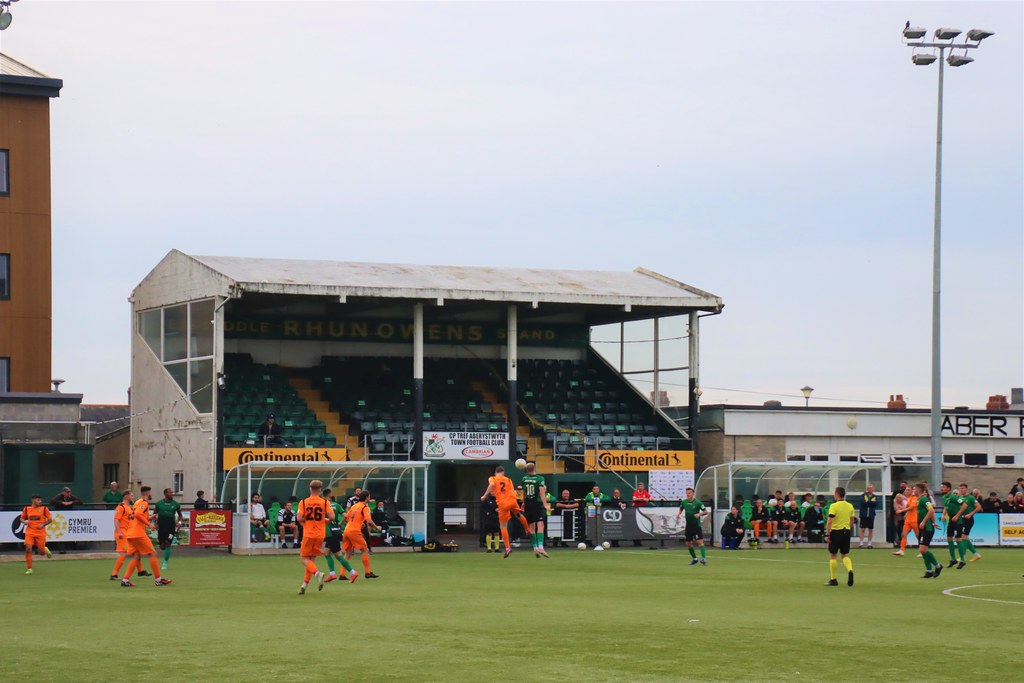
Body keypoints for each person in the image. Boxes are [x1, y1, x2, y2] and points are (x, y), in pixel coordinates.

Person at [121, 486, 173, 587]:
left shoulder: (137, 502)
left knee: (136, 556)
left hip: (130, 533)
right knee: (153, 553)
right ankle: (158, 580)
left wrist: (149, 518)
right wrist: (149, 524)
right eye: (150, 493)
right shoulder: (144, 503)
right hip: (138, 533)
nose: (151, 494)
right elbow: (138, 515)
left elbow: (136, 516)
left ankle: (125, 580)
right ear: (148, 493)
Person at [479, 465, 531, 558]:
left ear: (495, 472)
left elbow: (492, 485)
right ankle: (527, 530)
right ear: (503, 473)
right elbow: (512, 490)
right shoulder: (508, 479)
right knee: (519, 515)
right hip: (512, 500)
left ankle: (507, 548)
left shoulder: (493, 478)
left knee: (503, 526)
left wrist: (485, 495)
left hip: (503, 503)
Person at [296, 479, 332, 594]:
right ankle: (304, 585)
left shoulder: (303, 502)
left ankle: (317, 574)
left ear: (310, 488)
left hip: (308, 533)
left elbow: (299, 518)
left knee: (304, 559)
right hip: (320, 534)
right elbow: (332, 517)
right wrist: (325, 520)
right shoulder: (325, 502)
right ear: (320, 490)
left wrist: (306, 519)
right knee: (311, 560)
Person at [321, 488, 358, 584]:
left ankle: (353, 572)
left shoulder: (323, 505)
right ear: (330, 495)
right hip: (336, 531)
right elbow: (346, 515)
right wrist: (340, 524)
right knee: (326, 552)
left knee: (338, 555)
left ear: (322, 495)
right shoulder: (336, 505)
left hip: (330, 533)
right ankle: (332, 574)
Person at [343, 490, 381, 579]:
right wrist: (376, 527)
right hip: (354, 531)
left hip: (347, 530)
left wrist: (360, 523)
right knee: (365, 550)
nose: (370, 498)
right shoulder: (365, 507)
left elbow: (348, 517)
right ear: (366, 497)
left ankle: (342, 574)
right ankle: (367, 573)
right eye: (369, 496)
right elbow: (369, 521)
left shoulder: (354, 506)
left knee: (348, 553)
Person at [824, 487, 855, 587]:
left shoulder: (834, 506)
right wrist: (848, 529)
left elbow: (830, 521)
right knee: (844, 554)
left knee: (833, 555)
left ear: (837, 494)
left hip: (836, 532)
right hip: (846, 531)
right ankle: (850, 570)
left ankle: (833, 579)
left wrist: (827, 534)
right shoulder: (850, 506)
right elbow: (852, 521)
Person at [520, 462, 552, 558]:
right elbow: (542, 492)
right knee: (540, 525)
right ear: (535, 469)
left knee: (531, 527)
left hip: (528, 503)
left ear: (527, 470)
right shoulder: (540, 478)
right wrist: (545, 505)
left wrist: (523, 502)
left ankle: (535, 548)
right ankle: (541, 547)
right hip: (536, 503)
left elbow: (524, 492)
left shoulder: (524, 479)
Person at [914, 482, 943, 579]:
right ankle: (929, 571)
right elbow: (931, 513)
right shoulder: (919, 500)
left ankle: (938, 565)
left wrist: (924, 522)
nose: (913, 490)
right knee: (923, 551)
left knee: (922, 550)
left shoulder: (924, 499)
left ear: (919, 490)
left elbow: (931, 510)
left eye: (914, 489)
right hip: (923, 528)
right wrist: (934, 522)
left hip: (927, 528)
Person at [20, 494, 53, 575]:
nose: (40, 501)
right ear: (33, 500)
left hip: (40, 532)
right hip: (30, 532)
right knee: (28, 549)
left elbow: (50, 519)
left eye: (40, 500)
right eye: (38, 500)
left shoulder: (44, 509)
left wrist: (43, 525)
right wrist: (24, 522)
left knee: (41, 552)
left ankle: (45, 549)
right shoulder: (26, 509)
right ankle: (29, 569)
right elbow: (21, 518)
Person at [676, 487, 709, 565]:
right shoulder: (684, 502)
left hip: (696, 525)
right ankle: (694, 559)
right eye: (687, 493)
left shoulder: (698, 503)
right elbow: (681, 508)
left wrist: (699, 514)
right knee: (688, 543)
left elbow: (705, 511)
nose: (688, 494)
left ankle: (703, 558)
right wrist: (678, 514)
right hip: (689, 525)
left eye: (689, 493)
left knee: (700, 541)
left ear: (693, 493)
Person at [953, 483, 982, 567]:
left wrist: (970, 514)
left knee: (963, 537)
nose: (961, 490)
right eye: (960, 488)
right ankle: (976, 554)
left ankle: (963, 556)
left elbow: (979, 507)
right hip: (961, 519)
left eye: (962, 488)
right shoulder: (960, 498)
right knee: (964, 537)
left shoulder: (970, 497)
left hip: (968, 519)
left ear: (966, 489)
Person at [155, 487, 184, 571]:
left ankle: (165, 562)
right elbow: (154, 514)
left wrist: (179, 523)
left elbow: (180, 515)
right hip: (161, 527)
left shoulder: (176, 504)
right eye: (170, 492)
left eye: (172, 492)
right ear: (165, 494)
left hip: (171, 528)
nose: (172, 494)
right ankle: (163, 546)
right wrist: (155, 523)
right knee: (162, 546)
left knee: (168, 543)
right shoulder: (159, 503)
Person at [110, 490, 134, 580]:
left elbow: (130, 518)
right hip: (122, 533)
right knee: (123, 553)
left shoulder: (128, 507)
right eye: (131, 495)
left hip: (128, 532)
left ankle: (141, 571)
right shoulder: (121, 507)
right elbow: (116, 519)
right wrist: (119, 532)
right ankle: (114, 574)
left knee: (134, 551)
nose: (132, 497)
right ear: (126, 496)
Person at [940, 482, 964, 569]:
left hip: (958, 520)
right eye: (941, 487)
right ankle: (953, 559)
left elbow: (964, 505)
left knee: (958, 539)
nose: (941, 488)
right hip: (951, 519)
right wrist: (943, 515)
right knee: (949, 538)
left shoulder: (953, 497)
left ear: (948, 488)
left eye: (943, 487)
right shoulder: (944, 497)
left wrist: (957, 515)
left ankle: (962, 560)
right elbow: (946, 506)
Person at [892, 487, 919, 557]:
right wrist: (906, 514)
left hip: (914, 519)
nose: (907, 491)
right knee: (903, 534)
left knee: (917, 535)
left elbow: (912, 507)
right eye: (906, 490)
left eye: (908, 490)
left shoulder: (914, 498)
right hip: (908, 520)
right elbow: (908, 508)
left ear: (912, 491)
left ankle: (922, 550)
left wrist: (901, 510)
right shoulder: (908, 499)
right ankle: (901, 550)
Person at [857, 484, 878, 548]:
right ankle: (861, 543)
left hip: (871, 515)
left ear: (873, 489)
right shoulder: (863, 495)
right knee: (862, 529)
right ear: (867, 489)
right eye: (869, 488)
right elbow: (863, 503)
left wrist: (868, 502)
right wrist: (871, 502)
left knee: (870, 530)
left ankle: (869, 544)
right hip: (863, 515)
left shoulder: (875, 496)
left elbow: (875, 504)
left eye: (871, 488)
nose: (870, 490)